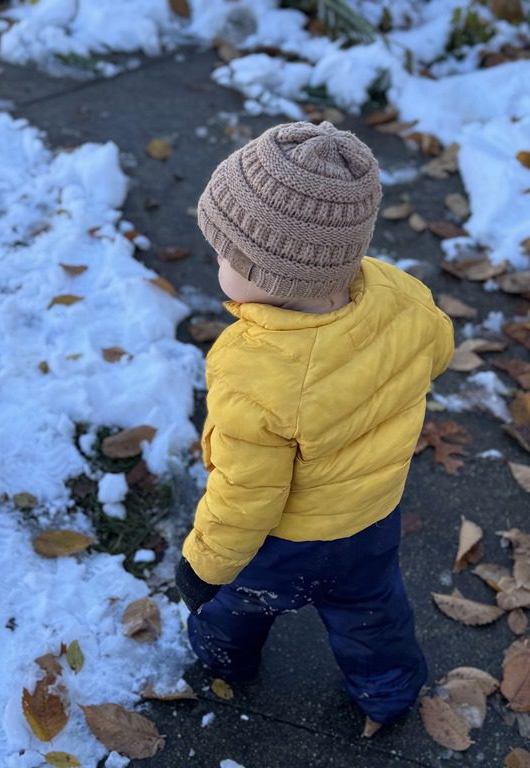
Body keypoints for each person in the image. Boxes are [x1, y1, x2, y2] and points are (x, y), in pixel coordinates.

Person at [174, 120, 454, 735]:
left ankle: (224, 661)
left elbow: (246, 495)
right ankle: (389, 692)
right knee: (373, 614)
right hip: (373, 517)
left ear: (269, 275)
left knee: (236, 605)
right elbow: (436, 351)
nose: (216, 263)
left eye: (225, 255)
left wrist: (203, 567)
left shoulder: (255, 373)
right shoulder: (402, 295)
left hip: (286, 542)